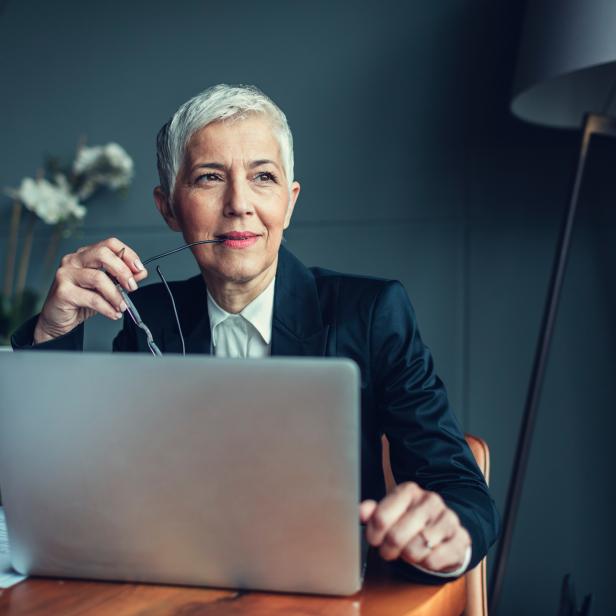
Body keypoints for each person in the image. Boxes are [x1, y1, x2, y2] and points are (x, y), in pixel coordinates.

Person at [12, 84, 499, 583]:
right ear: (169, 208)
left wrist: (446, 538)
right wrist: (54, 329)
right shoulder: (147, 317)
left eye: (262, 177)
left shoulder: (372, 313)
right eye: (209, 178)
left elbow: (460, 490)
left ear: (289, 204)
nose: (239, 204)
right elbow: (66, 487)